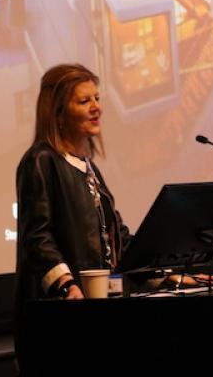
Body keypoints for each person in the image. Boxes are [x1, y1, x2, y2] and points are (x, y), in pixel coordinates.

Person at [14, 63, 131, 303]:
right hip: (61, 308)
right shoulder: (41, 161)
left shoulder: (89, 167)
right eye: (84, 101)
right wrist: (66, 285)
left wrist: (168, 272)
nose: (96, 107)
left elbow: (117, 235)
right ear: (58, 113)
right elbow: (37, 237)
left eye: (97, 98)